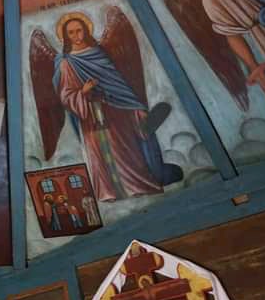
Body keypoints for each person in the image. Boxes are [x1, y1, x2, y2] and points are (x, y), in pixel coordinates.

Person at [54, 15, 175, 201]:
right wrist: (83, 91)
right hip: (90, 116)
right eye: (71, 32)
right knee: (100, 154)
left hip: (118, 113)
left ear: (86, 30)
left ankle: (136, 186)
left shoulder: (99, 53)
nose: (76, 35)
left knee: (126, 150)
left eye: (79, 30)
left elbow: (118, 83)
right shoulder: (66, 62)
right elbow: (66, 95)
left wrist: (135, 107)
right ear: (65, 36)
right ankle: (108, 193)